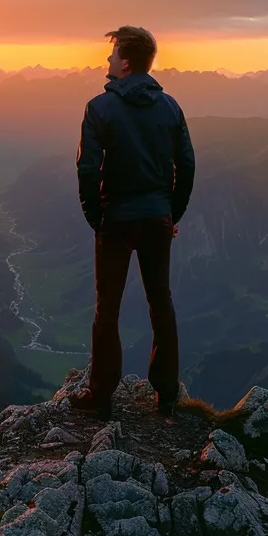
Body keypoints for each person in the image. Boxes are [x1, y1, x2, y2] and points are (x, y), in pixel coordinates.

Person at [68, 26, 196, 420]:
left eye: (111, 56)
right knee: (161, 302)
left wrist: (96, 216)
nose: (106, 62)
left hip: (116, 220)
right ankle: (167, 393)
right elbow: (187, 164)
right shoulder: (170, 107)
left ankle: (101, 394)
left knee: (107, 308)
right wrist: (171, 213)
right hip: (157, 218)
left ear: (124, 62)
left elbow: (87, 167)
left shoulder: (99, 108)